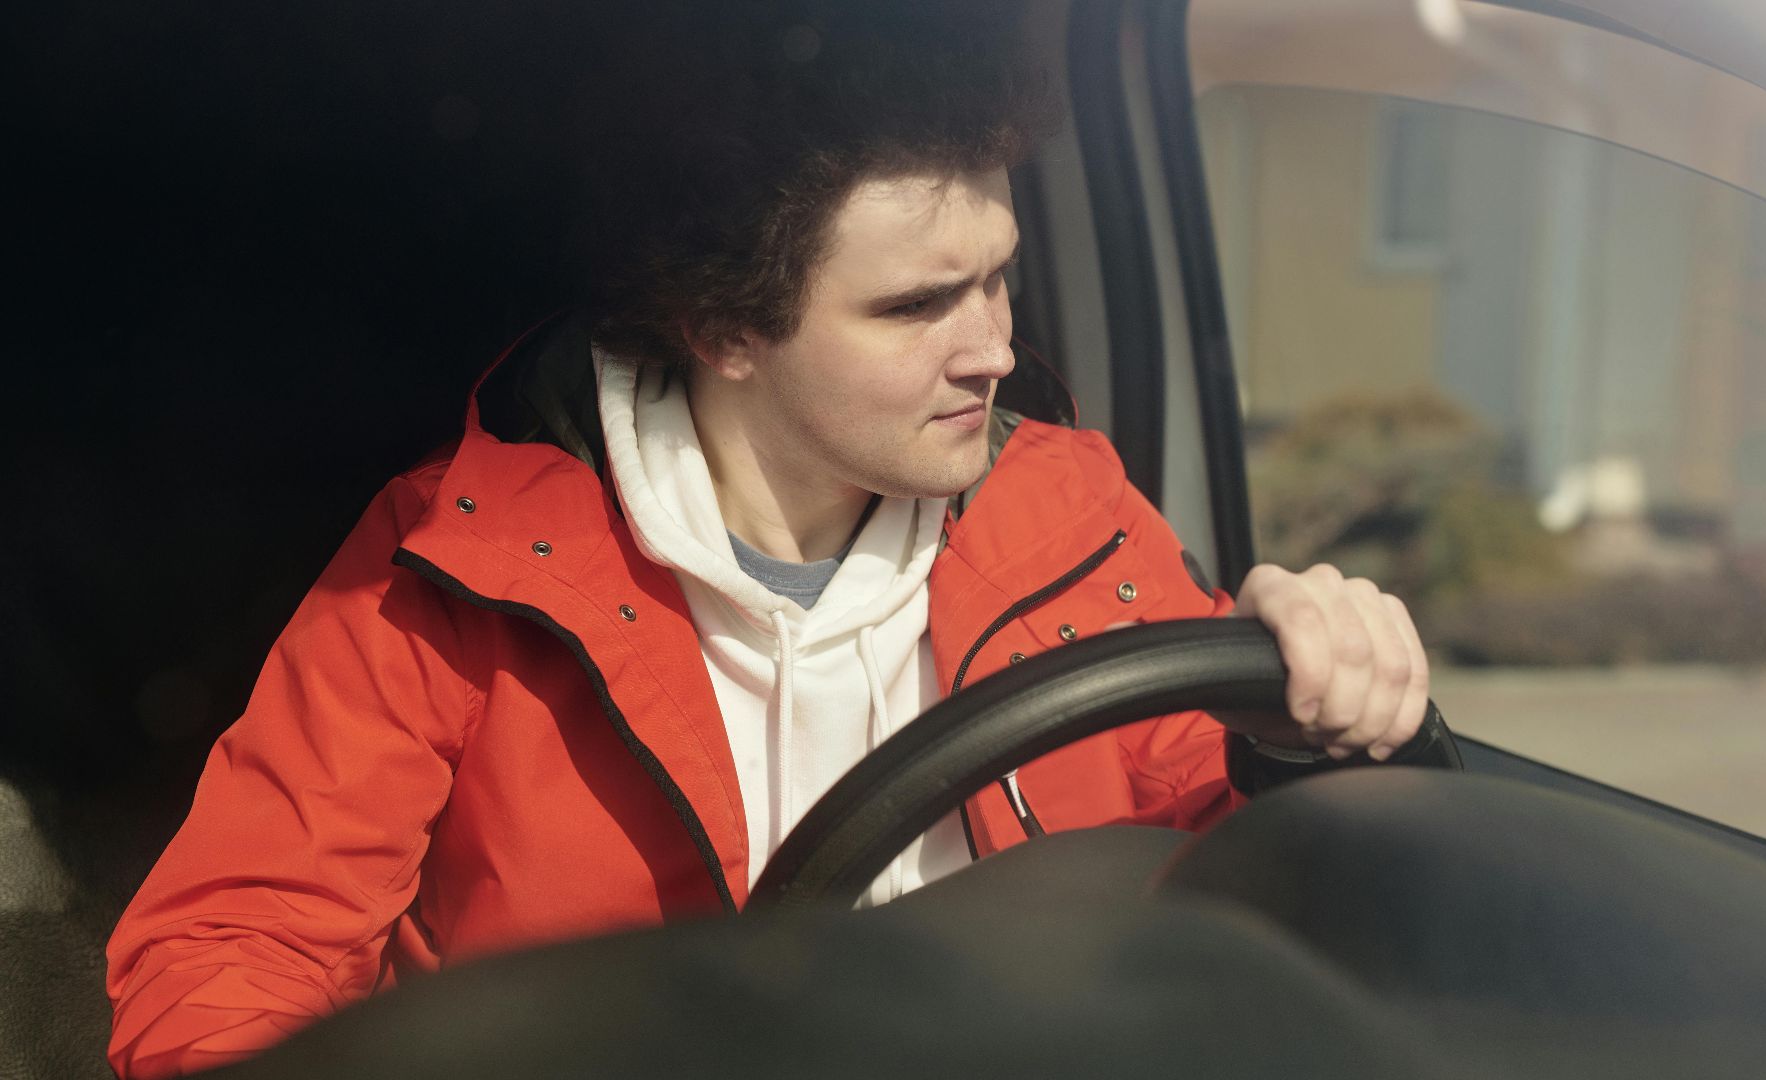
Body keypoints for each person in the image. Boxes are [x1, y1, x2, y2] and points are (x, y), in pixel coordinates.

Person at [102, 4, 1434, 1076]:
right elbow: (233, 951)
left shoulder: (1073, 512)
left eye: (1000, 275)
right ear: (726, 328)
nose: (998, 348)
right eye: (918, 305)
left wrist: (1312, 725)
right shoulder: (459, 566)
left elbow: (1234, 873)